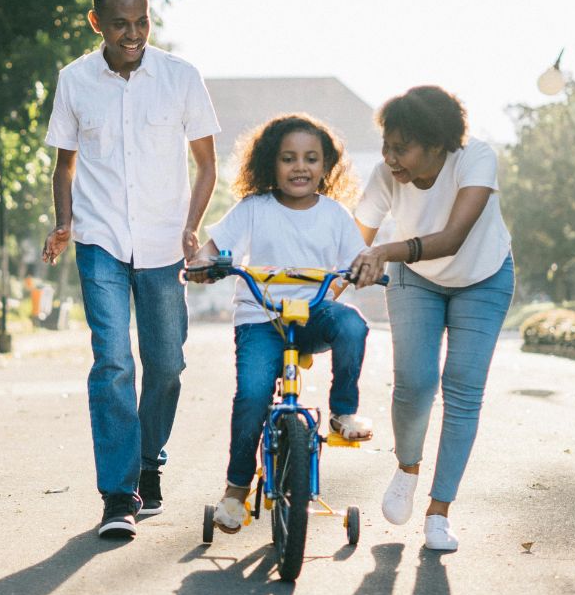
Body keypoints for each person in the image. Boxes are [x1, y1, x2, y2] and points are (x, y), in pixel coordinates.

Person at [40, 0, 220, 539]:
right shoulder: (74, 81)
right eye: (120, 24)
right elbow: (64, 166)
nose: (134, 34)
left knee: (166, 365)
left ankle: (148, 463)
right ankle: (118, 494)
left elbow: (207, 165)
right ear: (96, 22)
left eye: (142, 21)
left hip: (165, 243)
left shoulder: (181, 77)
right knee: (113, 362)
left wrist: (191, 227)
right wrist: (64, 223)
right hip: (100, 241)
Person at [188, 114, 372, 534]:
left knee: (353, 325)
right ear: (271, 163)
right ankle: (236, 490)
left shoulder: (335, 214)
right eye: (288, 158)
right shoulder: (254, 208)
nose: (300, 167)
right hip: (260, 318)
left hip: (312, 314)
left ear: (326, 166)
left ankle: (343, 412)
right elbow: (213, 248)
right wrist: (202, 263)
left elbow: (356, 261)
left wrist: (359, 273)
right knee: (253, 395)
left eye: (311, 159)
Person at [349, 85, 515, 552]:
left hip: (483, 277)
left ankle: (439, 512)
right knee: (415, 382)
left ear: (437, 144)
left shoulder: (475, 159)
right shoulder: (386, 175)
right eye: (386, 145)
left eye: (401, 148)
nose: (390, 158)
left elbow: (453, 237)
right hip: (415, 279)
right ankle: (407, 469)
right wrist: (324, 291)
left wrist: (384, 251)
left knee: (463, 388)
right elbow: (353, 244)